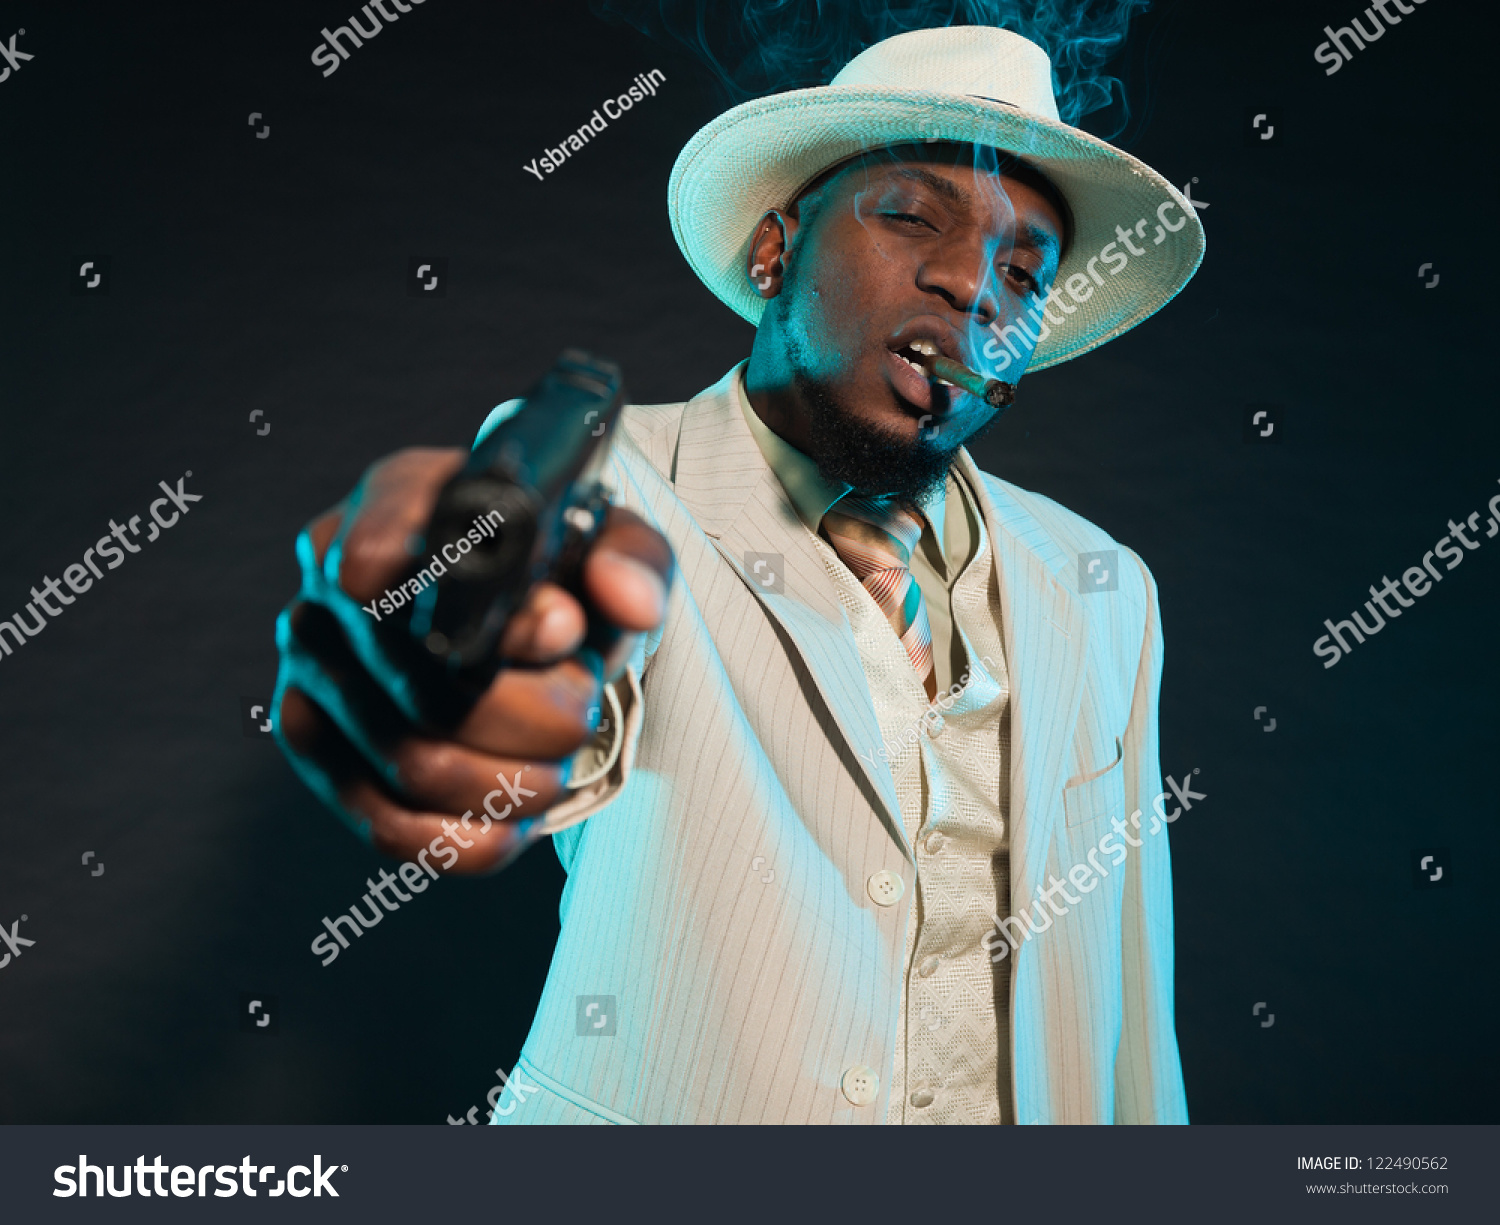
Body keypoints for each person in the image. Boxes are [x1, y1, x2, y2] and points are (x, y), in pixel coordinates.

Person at [273, 25, 1204, 1124]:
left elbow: (1129, 1002)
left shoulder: (1103, 585)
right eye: (911, 215)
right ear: (775, 253)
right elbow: (545, 678)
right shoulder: (611, 485)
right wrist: (460, 693)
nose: (971, 283)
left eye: (1022, 269)